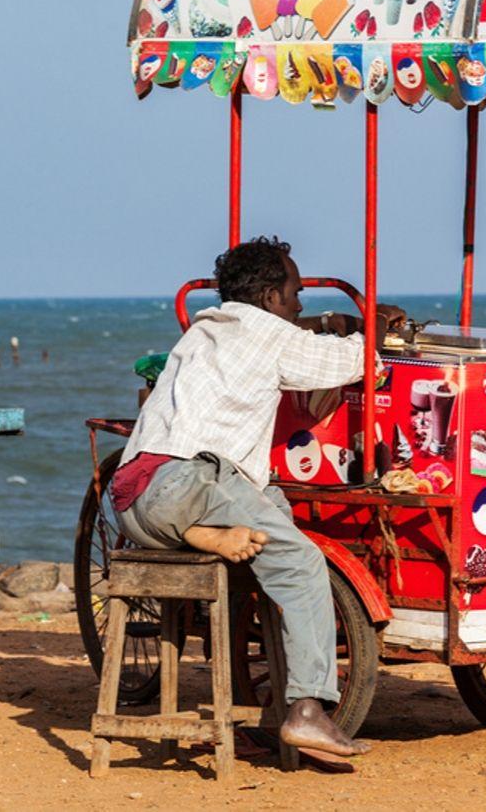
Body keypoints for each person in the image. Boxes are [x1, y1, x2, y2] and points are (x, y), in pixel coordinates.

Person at [111, 236, 405, 766]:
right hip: (184, 482)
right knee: (300, 561)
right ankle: (307, 712)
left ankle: (205, 534)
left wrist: (324, 324)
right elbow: (349, 363)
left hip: (134, 500)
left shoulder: (207, 329)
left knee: (262, 501)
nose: (299, 306)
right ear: (271, 297)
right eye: (294, 295)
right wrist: (376, 325)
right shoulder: (271, 336)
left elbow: (285, 336)